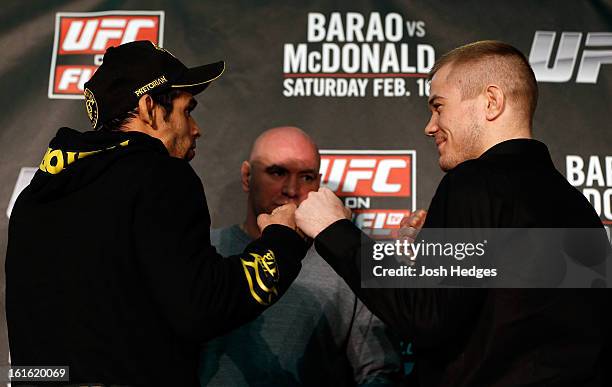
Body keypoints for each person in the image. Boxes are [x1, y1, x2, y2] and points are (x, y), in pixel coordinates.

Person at [294, 41, 609, 386]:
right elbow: (509, 309)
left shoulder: (473, 182)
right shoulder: (577, 205)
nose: (430, 126)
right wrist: (428, 260)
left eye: (438, 107)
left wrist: (334, 228)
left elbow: (425, 317)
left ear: (491, 102)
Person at [6, 41, 308, 386]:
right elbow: (202, 307)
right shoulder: (158, 175)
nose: (196, 128)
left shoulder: (35, 197)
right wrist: (282, 242)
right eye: (187, 110)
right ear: (149, 107)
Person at [198, 126, 401, 386]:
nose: (292, 189)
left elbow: (379, 372)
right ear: (247, 176)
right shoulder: (205, 250)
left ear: (319, 182)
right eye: (278, 172)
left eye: (306, 177)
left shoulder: (346, 261)